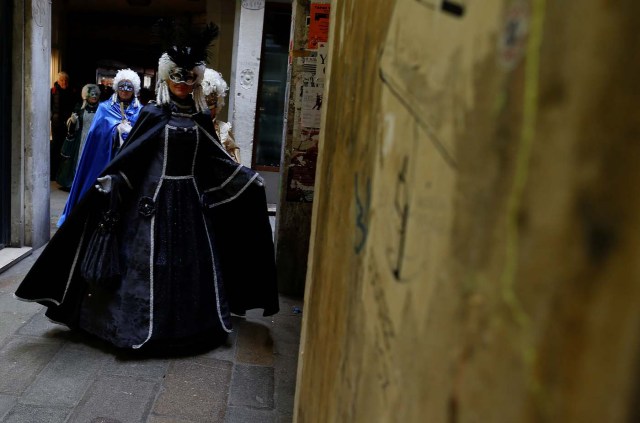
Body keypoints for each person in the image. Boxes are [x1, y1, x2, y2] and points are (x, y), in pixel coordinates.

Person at [15, 23, 279, 354]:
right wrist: (114, 181)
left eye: (189, 78)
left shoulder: (199, 119)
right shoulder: (153, 114)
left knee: (187, 266)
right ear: (167, 77)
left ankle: (190, 328)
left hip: (190, 206)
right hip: (149, 204)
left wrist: (247, 178)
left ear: (196, 79)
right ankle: (136, 325)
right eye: (176, 77)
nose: (182, 84)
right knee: (147, 265)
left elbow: (214, 162)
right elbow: (132, 157)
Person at [57, 69, 143, 227]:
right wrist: (115, 130)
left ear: (135, 89)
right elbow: (96, 136)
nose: (124, 90)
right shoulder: (104, 108)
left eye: (129, 87)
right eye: (122, 86)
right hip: (106, 161)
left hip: (129, 164)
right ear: (116, 87)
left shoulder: (141, 111)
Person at [55, 84, 101, 191]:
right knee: (79, 161)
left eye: (96, 94)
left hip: (95, 140)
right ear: (86, 95)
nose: (94, 96)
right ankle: (76, 184)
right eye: (91, 94)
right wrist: (73, 122)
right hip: (81, 140)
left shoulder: (102, 109)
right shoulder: (80, 108)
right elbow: (72, 126)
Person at [201, 68, 241, 163]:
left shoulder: (224, 129)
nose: (206, 112)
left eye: (211, 105)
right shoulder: (187, 127)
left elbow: (235, 160)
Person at [50, 72, 76, 180]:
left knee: (66, 149)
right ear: (58, 81)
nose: (64, 82)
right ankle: (53, 173)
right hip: (56, 124)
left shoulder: (72, 92)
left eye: (65, 80)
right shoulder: (53, 91)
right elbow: (50, 107)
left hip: (68, 124)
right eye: (62, 80)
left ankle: (63, 174)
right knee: (56, 148)